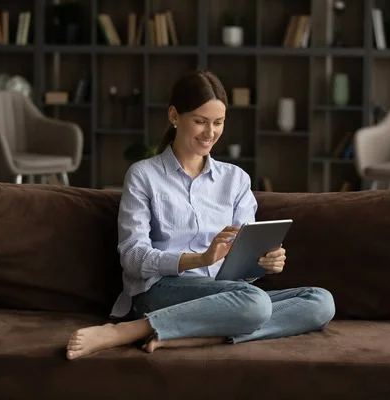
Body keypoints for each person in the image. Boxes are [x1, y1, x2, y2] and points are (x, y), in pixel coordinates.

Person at [66, 70, 335, 360]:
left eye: (218, 123)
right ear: (174, 116)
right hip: (161, 291)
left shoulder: (236, 180)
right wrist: (200, 259)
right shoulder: (144, 175)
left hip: (225, 294)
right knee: (254, 303)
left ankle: (201, 336)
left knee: (320, 301)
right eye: (200, 121)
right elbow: (132, 258)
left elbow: (243, 273)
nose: (210, 133)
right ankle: (130, 329)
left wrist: (264, 262)